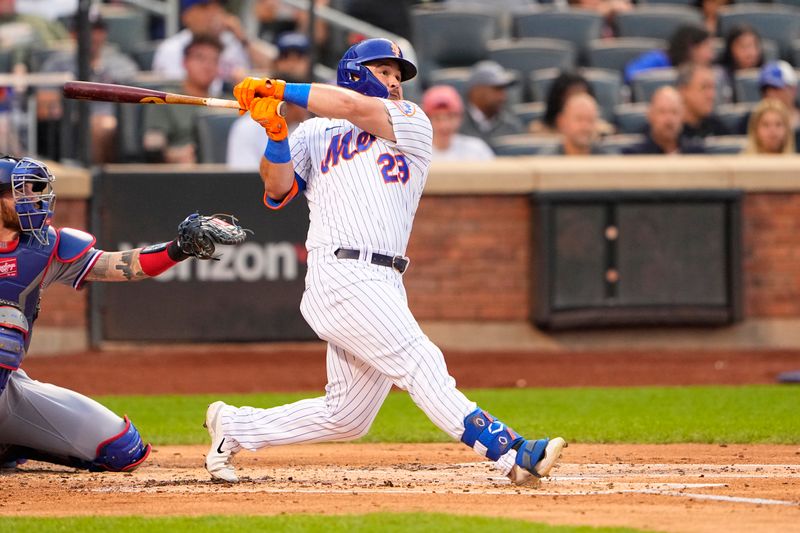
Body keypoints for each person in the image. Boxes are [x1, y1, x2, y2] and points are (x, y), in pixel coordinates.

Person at [203, 38, 567, 485]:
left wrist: (281, 88)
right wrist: (276, 134)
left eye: (398, 75)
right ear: (355, 71)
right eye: (385, 72)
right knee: (420, 361)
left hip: (386, 278)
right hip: (340, 273)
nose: (395, 82)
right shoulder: (314, 133)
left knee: (347, 416)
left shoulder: (411, 120)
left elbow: (352, 108)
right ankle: (510, 450)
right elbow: (277, 189)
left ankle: (237, 427)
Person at [0, 156, 246, 472]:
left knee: (121, 449)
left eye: (33, 191)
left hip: (7, 388)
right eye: (19, 193)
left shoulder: (42, 246)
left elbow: (121, 266)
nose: (32, 200)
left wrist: (178, 248)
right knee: (6, 327)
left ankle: (8, 443)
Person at [36, 13, 139, 163]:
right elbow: (45, 110)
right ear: (73, 34)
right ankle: (93, 181)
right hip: (72, 127)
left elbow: (134, 107)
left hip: (118, 126)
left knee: (107, 127)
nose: (93, 36)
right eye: (87, 29)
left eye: (98, 30)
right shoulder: (56, 65)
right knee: (97, 127)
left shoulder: (122, 64)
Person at [152, 0, 275, 93]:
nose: (214, 13)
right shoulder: (172, 48)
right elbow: (178, 91)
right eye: (204, 7)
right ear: (186, 16)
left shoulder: (234, 40)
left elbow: (279, 67)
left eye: (217, 6)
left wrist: (243, 38)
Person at [143, 35, 223, 164]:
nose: (208, 66)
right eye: (200, 58)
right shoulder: (166, 100)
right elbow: (153, 145)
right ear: (185, 62)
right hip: (180, 171)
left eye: (214, 60)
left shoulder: (229, 103)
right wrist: (174, 156)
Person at [421, 84, 494, 162]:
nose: (444, 125)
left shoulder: (477, 149)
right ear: (427, 120)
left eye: (450, 117)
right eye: (437, 118)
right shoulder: (417, 153)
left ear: (460, 117)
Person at [623, 86, 706, 154]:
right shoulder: (635, 155)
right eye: (662, 112)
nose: (669, 119)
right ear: (650, 116)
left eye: (674, 112)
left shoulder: (696, 153)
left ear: (682, 116)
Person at [530, 71, 614, 137]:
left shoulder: (602, 132)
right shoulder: (539, 133)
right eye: (572, 97)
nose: (579, 102)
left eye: (582, 96)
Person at [460, 60, 524, 146]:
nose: (503, 97)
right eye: (497, 89)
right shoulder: (456, 126)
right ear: (477, 91)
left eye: (504, 90)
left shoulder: (511, 127)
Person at [624, 25, 714, 84]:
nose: (711, 55)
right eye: (706, 48)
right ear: (691, 48)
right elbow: (632, 75)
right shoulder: (659, 59)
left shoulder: (705, 71)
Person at [540, 93, 610, 155]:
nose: (585, 126)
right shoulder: (547, 161)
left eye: (590, 120)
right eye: (579, 119)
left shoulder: (608, 162)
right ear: (562, 122)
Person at [675, 63, 728, 144]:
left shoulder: (717, 127)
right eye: (704, 87)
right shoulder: (671, 133)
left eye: (713, 88)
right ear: (683, 91)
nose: (711, 95)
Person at [716, 24, 763, 104]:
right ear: (730, 49)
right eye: (743, 46)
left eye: (753, 46)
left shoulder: (767, 77)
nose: (750, 53)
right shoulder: (720, 77)